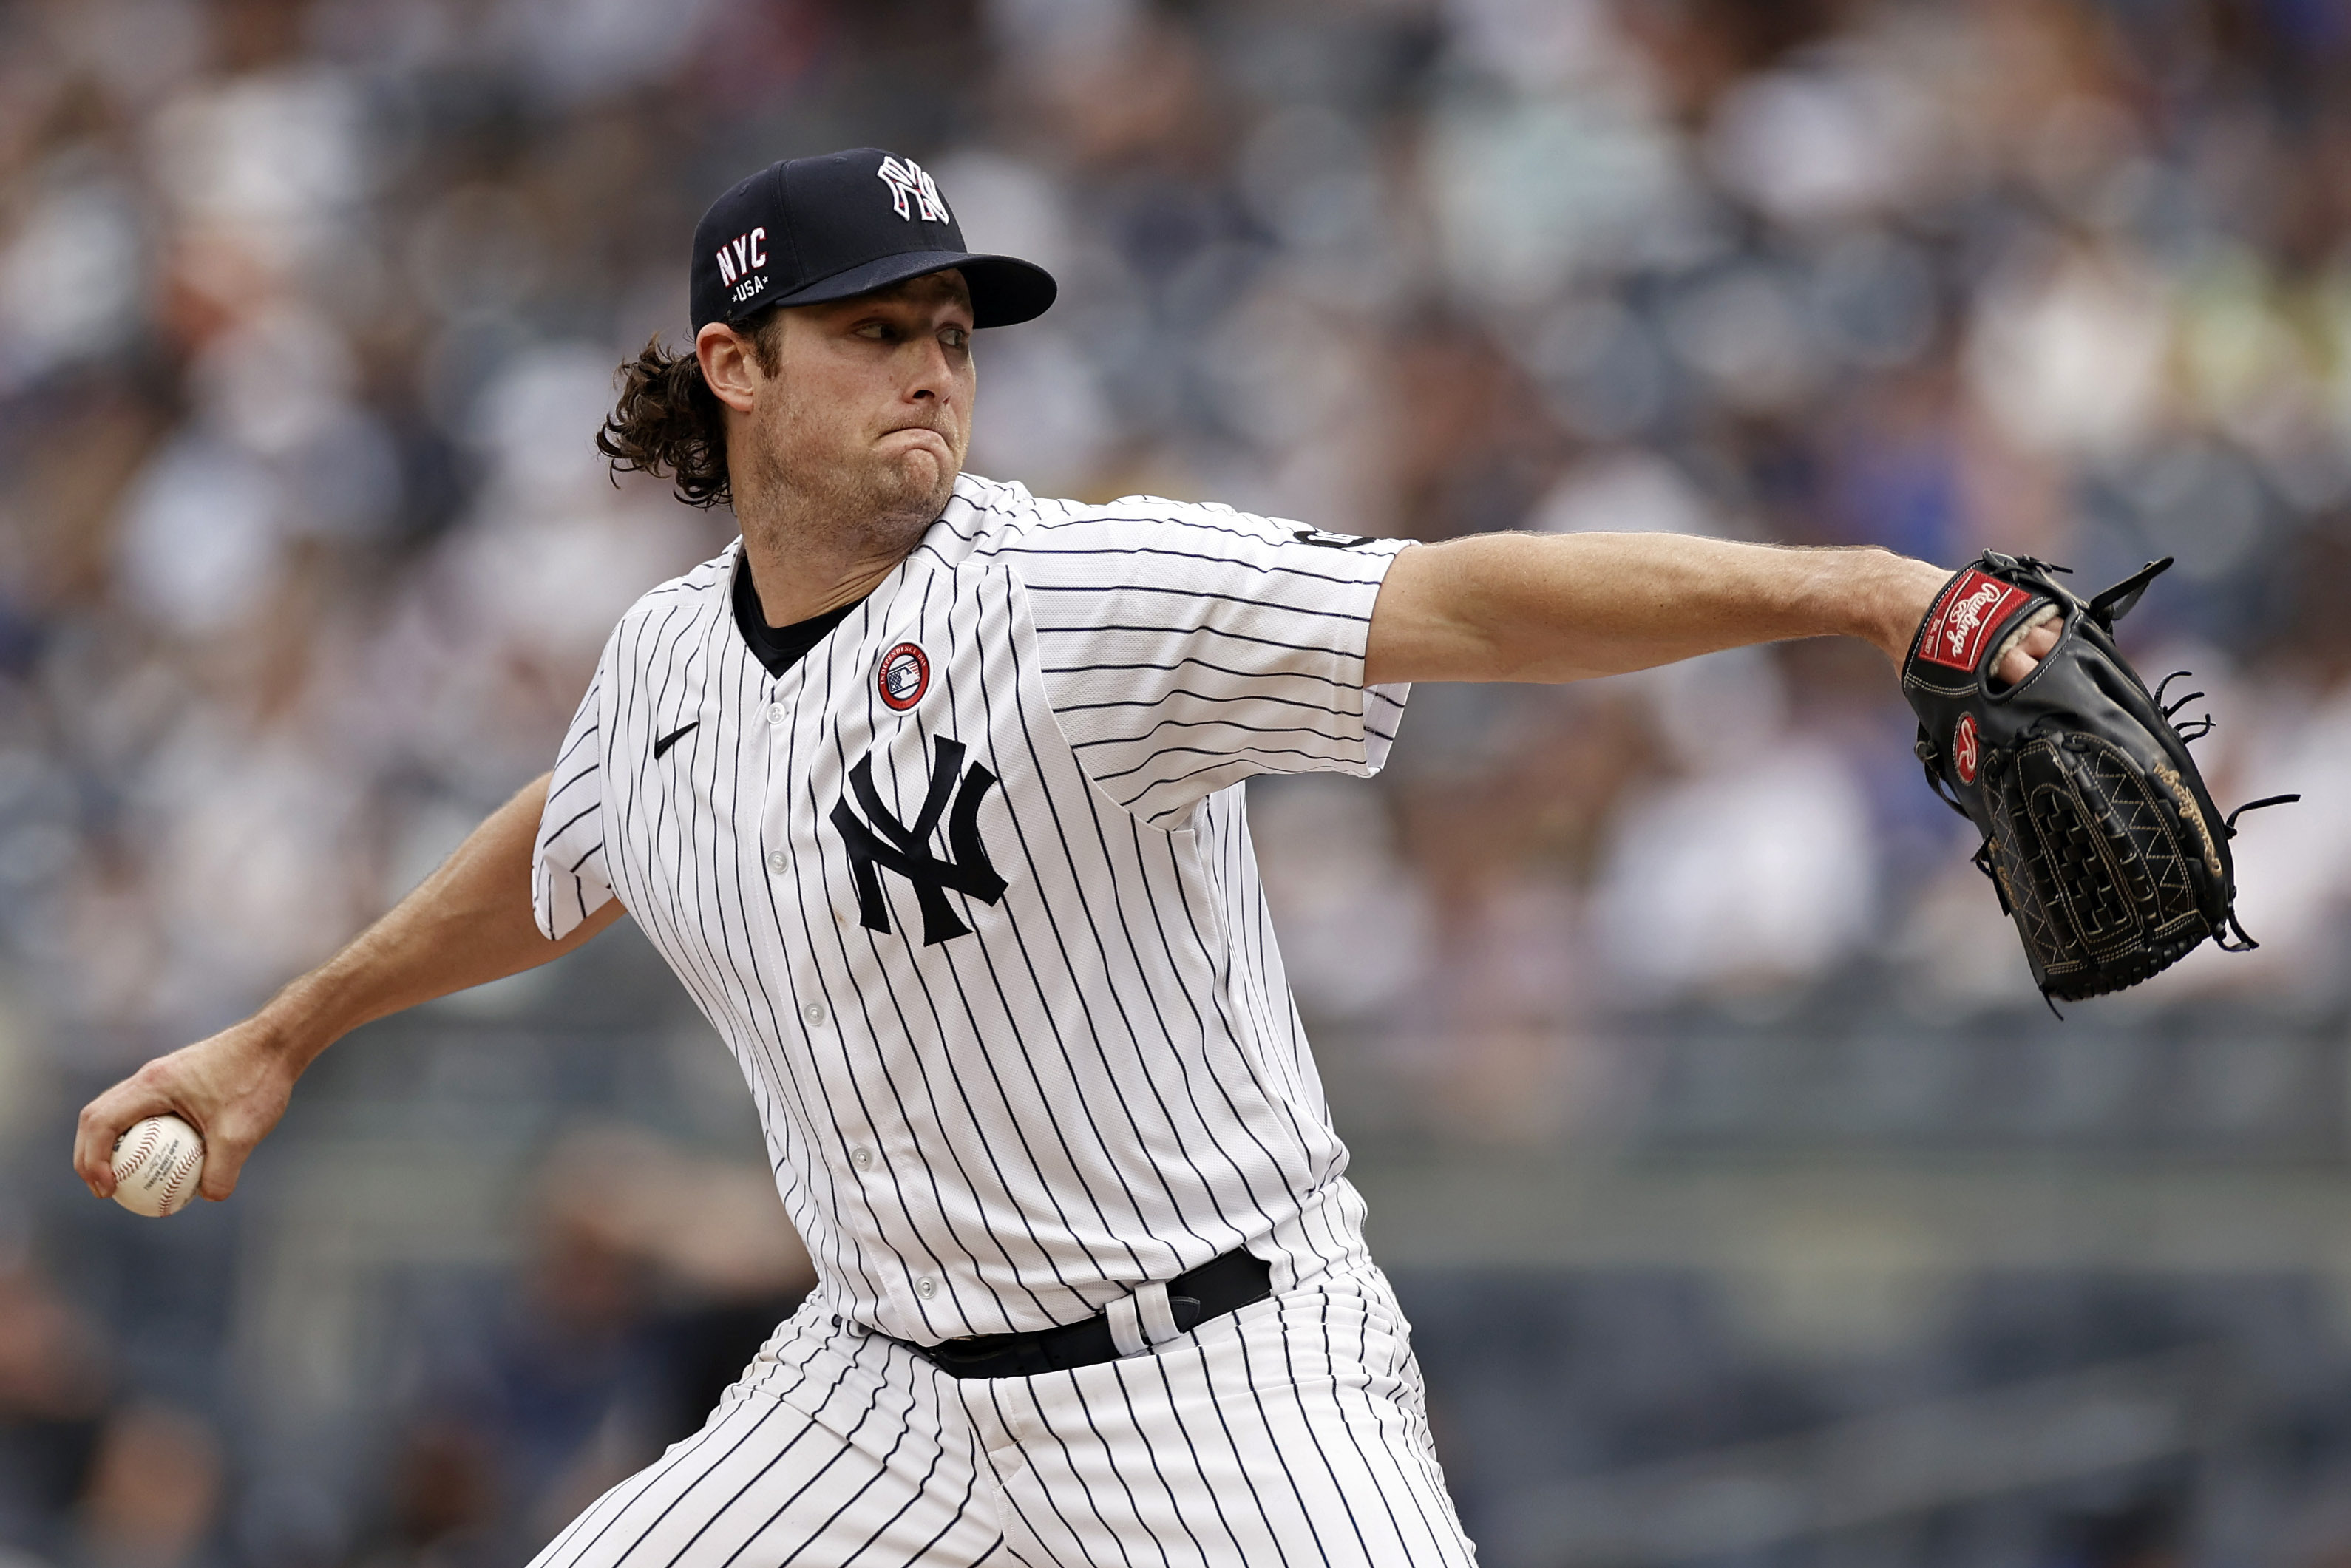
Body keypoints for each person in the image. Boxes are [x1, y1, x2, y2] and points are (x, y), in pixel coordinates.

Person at [76, 148, 2056, 1565]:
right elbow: (575, 835)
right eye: (872, 328)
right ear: (736, 364)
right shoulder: (668, 657)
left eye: (951, 325)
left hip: (1214, 1374)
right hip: (876, 1396)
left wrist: (1858, 585)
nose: (933, 362)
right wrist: (286, 1030)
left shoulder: (1079, 594)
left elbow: (1455, 599)